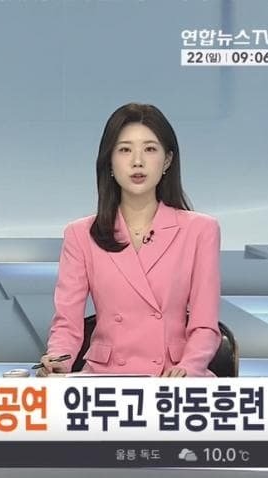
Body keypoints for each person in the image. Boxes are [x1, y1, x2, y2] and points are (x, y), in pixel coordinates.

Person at [38, 103, 221, 377]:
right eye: (125, 150)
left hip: (174, 379)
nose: (137, 161)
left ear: (167, 160)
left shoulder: (200, 230)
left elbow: (204, 325)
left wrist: (188, 368)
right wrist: (58, 360)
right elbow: (67, 324)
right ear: (109, 161)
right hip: (104, 379)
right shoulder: (80, 234)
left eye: (150, 149)